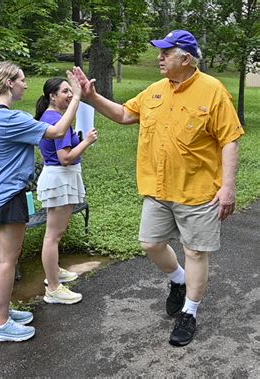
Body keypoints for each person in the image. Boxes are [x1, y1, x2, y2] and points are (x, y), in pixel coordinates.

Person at [74, 30, 244, 346]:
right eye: (160, 52)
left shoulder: (213, 92)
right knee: (150, 243)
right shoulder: (154, 91)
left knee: (194, 251)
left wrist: (228, 187)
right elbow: (126, 114)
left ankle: (189, 312)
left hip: (198, 189)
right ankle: (178, 281)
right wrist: (91, 97)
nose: (160, 57)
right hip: (158, 187)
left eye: (167, 52)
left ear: (187, 58)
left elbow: (229, 140)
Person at [0, 61, 82, 342]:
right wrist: (78, 97)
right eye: (22, 79)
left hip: (0, 194)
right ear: (9, 83)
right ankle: (1, 323)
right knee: (7, 260)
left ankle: (4, 311)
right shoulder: (8, 117)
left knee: (1, 258)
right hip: (9, 195)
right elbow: (57, 131)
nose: (25, 84)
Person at [34, 78, 98, 304]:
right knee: (53, 235)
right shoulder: (57, 119)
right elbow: (66, 158)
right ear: (52, 96)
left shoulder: (52, 117)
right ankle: (53, 288)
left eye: (71, 91)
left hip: (60, 179)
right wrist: (87, 141)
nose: (70, 95)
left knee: (56, 233)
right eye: (65, 91)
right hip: (61, 178)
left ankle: (55, 271)